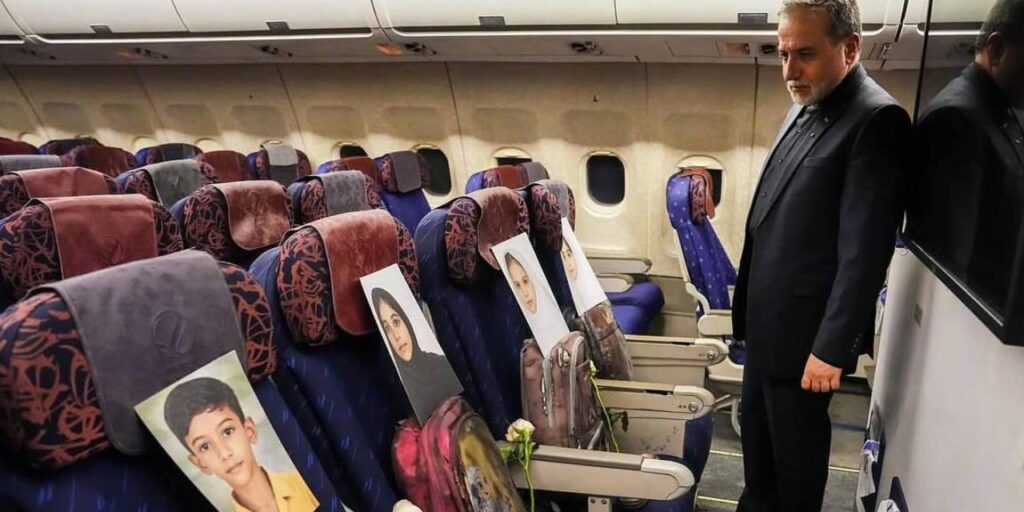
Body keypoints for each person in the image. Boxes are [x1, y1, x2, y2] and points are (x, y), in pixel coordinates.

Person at [731, 1, 910, 510]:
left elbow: (864, 251)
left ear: (849, 48)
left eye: (805, 54)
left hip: (806, 345)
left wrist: (832, 348)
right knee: (758, 465)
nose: (789, 70)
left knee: (794, 477)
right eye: (783, 53)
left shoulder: (876, 119)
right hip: (767, 331)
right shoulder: (804, 104)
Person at [909, 0, 1024, 312]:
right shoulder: (957, 119)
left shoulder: (999, 109)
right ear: (997, 50)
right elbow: (950, 267)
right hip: (978, 322)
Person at [163, 377, 318, 512]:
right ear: (200, 463)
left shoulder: (307, 483)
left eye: (227, 431)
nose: (224, 453)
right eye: (205, 446)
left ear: (249, 430)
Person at [371, 287, 461, 413]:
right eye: (387, 329)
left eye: (396, 322)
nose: (396, 336)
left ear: (406, 322)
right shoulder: (393, 386)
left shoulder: (440, 363)